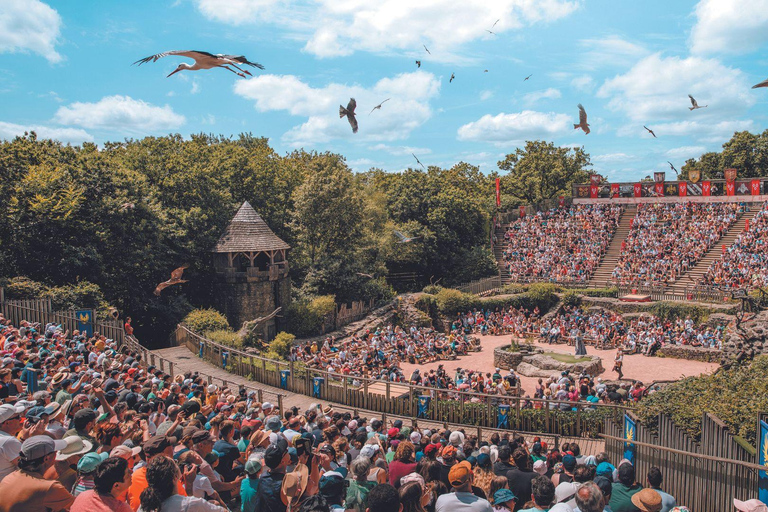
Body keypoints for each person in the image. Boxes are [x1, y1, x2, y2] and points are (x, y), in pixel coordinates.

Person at [0, 435, 74, 512]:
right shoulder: (50, 488)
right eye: (55, 452)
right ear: (46, 458)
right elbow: (78, 506)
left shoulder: (9, 477)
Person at [137, 455, 225, 512]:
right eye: (175, 462)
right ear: (175, 476)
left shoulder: (144, 506)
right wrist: (189, 484)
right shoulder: (192, 504)